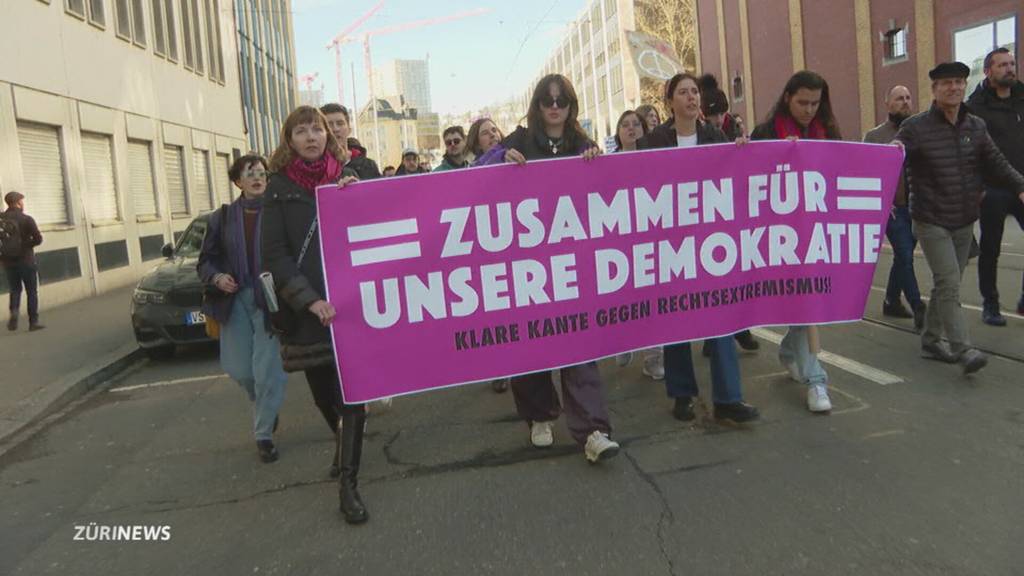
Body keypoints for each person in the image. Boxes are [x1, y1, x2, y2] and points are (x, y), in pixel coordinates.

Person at [261, 105, 370, 524]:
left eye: (317, 129)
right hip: (308, 313)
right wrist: (309, 300)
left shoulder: (350, 173)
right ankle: (341, 442)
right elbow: (274, 255)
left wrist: (358, 195)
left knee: (352, 399)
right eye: (301, 131)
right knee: (325, 398)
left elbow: (382, 224)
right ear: (289, 140)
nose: (311, 136)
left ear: (328, 135)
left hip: (353, 307)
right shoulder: (278, 189)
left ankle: (348, 483)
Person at [502, 73, 619, 464]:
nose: (555, 107)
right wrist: (500, 163)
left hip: (572, 263)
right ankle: (539, 415)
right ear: (537, 106)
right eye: (547, 100)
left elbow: (607, 191)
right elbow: (475, 177)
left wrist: (597, 165)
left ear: (571, 106)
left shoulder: (583, 144)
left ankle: (593, 429)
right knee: (533, 343)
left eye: (562, 100)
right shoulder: (517, 141)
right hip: (527, 262)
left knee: (579, 343)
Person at [636, 73, 760, 425]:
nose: (691, 97)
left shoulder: (715, 137)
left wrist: (743, 154)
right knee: (677, 322)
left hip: (711, 244)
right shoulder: (653, 142)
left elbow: (734, 178)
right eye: (683, 92)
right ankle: (682, 393)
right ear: (669, 100)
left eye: (694, 92)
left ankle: (728, 399)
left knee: (720, 319)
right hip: (671, 244)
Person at [894, 62, 1024, 375]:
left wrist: (1020, 186)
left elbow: (995, 161)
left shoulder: (976, 126)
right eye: (946, 83)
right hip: (930, 217)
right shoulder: (915, 126)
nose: (954, 88)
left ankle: (930, 339)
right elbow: (894, 153)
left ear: (965, 86)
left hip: (965, 217)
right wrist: (894, 149)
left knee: (947, 284)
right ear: (934, 90)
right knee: (949, 282)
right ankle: (963, 348)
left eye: (959, 82)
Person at [750, 70, 839, 413]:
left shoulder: (826, 131)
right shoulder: (766, 133)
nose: (809, 110)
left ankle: (815, 378)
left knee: (809, 302)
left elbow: (843, 168)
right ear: (787, 98)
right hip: (781, 234)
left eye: (815, 103)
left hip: (816, 231)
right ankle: (807, 369)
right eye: (802, 102)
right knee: (804, 302)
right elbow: (749, 180)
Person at [198, 155, 288, 464]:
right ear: (238, 181)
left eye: (262, 173)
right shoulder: (221, 218)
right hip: (234, 301)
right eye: (250, 173)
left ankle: (263, 434)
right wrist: (217, 277)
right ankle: (265, 405)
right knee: (240, 370)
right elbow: (205, 261)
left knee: (267, 372)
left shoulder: (278, 213)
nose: (258, 178)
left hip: (270, 301)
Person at [608, 110, 667, 380]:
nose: (631, 128)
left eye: (636, 124)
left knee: (654, 300)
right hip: (619, 243)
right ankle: (623, 338)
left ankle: (653, 357)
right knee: (624, 295)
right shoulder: (605, 164)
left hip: (652, 239)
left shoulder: (658, 160)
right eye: (625, 124)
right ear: (618, 132)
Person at [967, 47, 1024, 325]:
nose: (1009, 69)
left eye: (1012, 64)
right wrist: (979, 187)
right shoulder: (976, 107)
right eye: (1002, 65)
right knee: (991, 248)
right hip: (993, 189)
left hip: (1022, 186)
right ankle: (990, 303)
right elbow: (970, 151)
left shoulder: (1023, 99)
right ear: (989, 71)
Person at [865, 85, 926, 330]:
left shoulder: (920, 132)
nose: (905, 102)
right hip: (892, 208)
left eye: (908, 98)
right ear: (887, 103)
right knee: (903, 253)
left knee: (904, 257)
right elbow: (865, 172)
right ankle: (918, 304)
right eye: (899, 98)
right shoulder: (875, 136)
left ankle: (891, 300)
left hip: (918, 207)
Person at [1, 191, 44, 331]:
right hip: (26, 260)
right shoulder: (27, 219)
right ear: (18, 202)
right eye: (22, 201)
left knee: (15, 290)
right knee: (31, 291)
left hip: (8, 261)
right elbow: (38, 239)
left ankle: (14, 312)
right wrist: (25, 245)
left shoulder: (1, 219)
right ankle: (33, 322)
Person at [319, 102, 382, 181]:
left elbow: (380, 192)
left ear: (349, 129)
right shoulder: (314, 169)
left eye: (340, 123)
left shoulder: (368, 165)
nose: (335, 129)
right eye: (329, 125)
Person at [698, 74, 745, 139]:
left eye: (722, 114)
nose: (719, 120)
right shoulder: (695, 133)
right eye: (713, 115)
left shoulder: (735, 130)